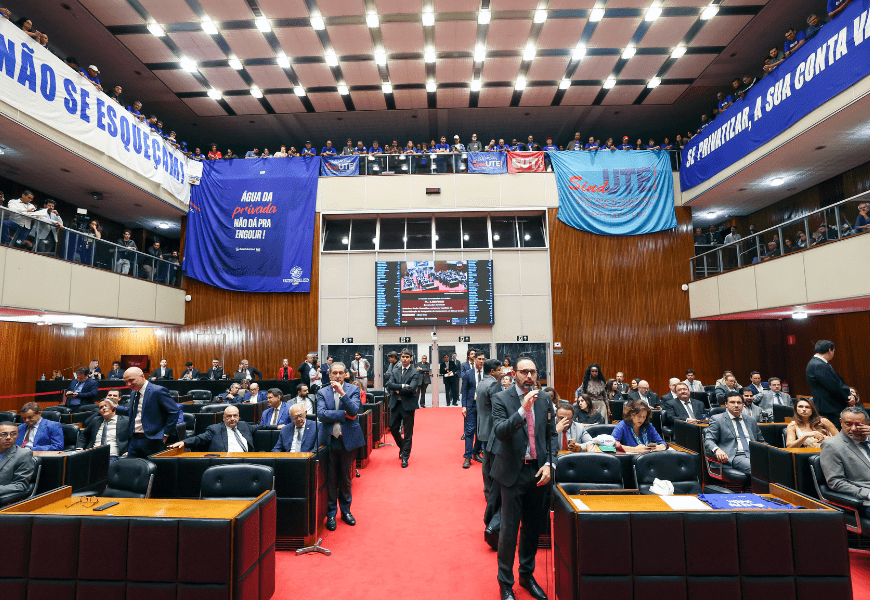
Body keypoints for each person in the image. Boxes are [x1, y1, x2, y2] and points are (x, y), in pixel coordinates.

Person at [490, 358, 556, 600]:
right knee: (509, 531)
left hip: (538, 471)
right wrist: (522, 410)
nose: (529, 375)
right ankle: (505, 583)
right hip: (512, 472)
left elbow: (551, 435)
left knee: (532, 528)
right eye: (524, 371)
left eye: (533, 371)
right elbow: (500, 432)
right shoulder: (501, 398)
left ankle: (526, 575)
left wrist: (550, 464)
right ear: (514, 374)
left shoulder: (545, 398)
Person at [317, 361, 364, 530]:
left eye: (341, 373)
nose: (337, 376)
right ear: (329, 374)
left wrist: (342, 393)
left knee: (345, 478)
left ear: (346, 374)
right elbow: (321, 415)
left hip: (347, 440)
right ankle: (331, 514)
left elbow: (354, 411)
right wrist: (343, 414)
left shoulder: (353, 390)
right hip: (329, 440)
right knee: (330, 479)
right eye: (334, 373)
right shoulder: (322, 392)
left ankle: (345, 511)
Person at [115, 367, 180, 458]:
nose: (128, 384)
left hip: (153, 440)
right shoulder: (133, 393)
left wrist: (165, 435)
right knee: (132, 466)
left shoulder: (157, 391)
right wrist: (115, 408)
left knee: (152, 466)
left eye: (131, 380)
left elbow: (174, 411)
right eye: (126, 382)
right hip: (134, 440)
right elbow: (134, 412)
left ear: (142, 376)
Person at [820, 406, 870, 513]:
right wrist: (867, 493)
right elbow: (836, 482)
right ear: (841, 422)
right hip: (865, 500)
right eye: (848, 424)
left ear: (867, 424)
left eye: (858, 424)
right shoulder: (832, 445)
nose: (853, 428)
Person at [704, 391, 763, 475]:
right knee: (758, 468)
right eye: (732, 402)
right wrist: (717, 450)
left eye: (739, 403)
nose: (736, 405)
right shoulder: (717, 419)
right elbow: (708, 440)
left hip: (754, 453)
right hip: (735, 455)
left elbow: (761, 441)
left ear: (743, 404)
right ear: (726, 404)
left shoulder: (751, 420)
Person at [476, 358, 502, 523]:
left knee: (486, 461)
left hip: (483, 427)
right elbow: (497, 409)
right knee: (493, 463)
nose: (501, 372)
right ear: (492, 371)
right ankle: (492, 494)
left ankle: (488, 491)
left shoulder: (481, 382)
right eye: (499, 370)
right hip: (492, 428)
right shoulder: (493, 385)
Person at [807, 340, 855, 425]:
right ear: (830, 350)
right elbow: (833, 386)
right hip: (830, 408)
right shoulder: (819, 365)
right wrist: (848, 398)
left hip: (828, 407)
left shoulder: (815, 363)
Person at [387, 349, 421, 468]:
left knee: (408, 432)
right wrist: (402, 386)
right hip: (395, 404)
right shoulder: (395, 370)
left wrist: (397, 389)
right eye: (403, 357)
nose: (405, 359)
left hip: (408, 405)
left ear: (410, 358)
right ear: (400, 358)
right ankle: (402, 446)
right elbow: (389, 385)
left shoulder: (415, 372)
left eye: (407, 357)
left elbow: (412, 388)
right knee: (393, 428)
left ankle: (405, 456)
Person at [171, 405, 256, 452]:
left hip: (248, 460)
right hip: (227, 461)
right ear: (223, 417)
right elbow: (199, 438)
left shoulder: (244, 425)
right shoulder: (215, 429)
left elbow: (260, 426)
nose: (232, 418)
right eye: (229, 416)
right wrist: (184, 442)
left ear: (238, 416)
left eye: (235, 415)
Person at [0, 420, 37, 500]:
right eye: (4, 434)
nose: (9, 437)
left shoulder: (23, 455)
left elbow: (21, 485)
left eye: (13, 434)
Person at [461, 353, 486, 468]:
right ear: (475, 359)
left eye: (483, 359)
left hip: (484, 406)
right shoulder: (468, 373)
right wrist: (464, 406)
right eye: (479, 359)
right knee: (470, 431)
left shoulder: (487, 374)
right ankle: (467, 456)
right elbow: (464, 391)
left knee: (481, 431)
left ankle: (476, 452)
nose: (481, 361)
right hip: (472, 405)